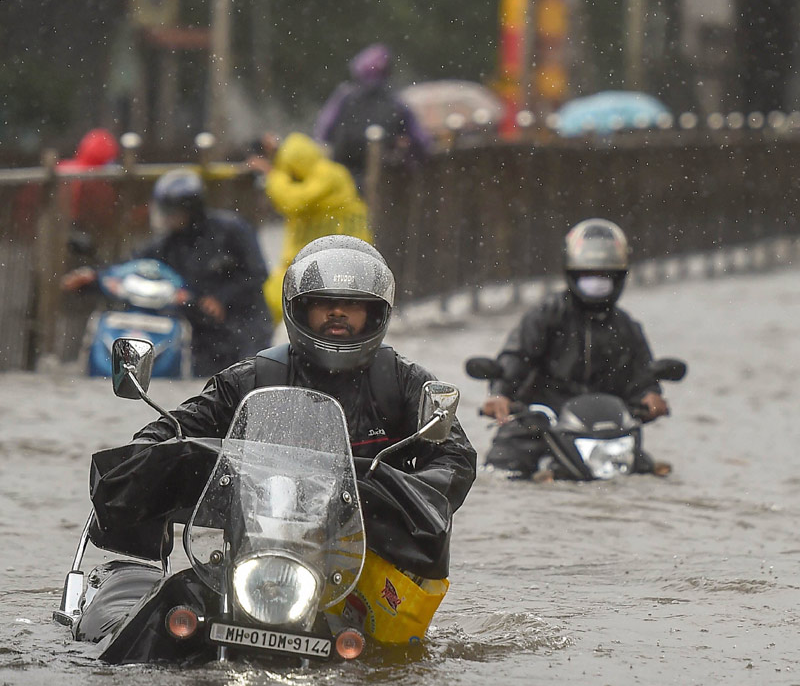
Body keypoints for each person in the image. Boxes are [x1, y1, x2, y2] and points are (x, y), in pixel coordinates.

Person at [89, 238, 477, 642]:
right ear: (299, 309)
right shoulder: (253, 378)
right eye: (323, 303)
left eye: (353, 305)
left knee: (396, 660)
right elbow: (179, 426)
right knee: (154, 631)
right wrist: (151, 452)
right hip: (250, 553)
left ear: (376, 313)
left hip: (359, 564)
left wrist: (406, 495)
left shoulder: (402, 382)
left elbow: (455, 457)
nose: (338, 313)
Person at [480, 218, 670, 476]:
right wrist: (501, 394)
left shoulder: (627, 327)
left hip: (608, 434)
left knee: (652, 473)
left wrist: (650, 394)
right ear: (571, 274)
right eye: (588, 275)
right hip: (542, 426)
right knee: (504, 464)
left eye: (605, 276)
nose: (597, 283)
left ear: (619, 277)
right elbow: (516, 358)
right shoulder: (545, 316)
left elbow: (642, 374)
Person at [61, 168, 274, 378]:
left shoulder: (232, 231)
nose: (166, 217)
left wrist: (221, 297)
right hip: (200, 328)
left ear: (190, 210)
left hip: (243, 325)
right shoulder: (168, 243)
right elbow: (135, 266)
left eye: (171, 211)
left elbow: (257, 273)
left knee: (243, 379)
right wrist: (96, 278)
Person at [247, 132, 374, 325]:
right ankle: (256, 345)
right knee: (266, 304)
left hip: (339, 258)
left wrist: (273, 175)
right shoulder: (324, 173)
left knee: (326, 313)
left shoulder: (330, 174)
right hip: (309, 259)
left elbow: (293, 201)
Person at [313, 42, 431, 186]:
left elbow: (323, 132)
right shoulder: (396, 103)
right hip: (386, 184)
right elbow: (420, 141)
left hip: (342, 179)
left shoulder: (344, 97)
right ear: (387, 72)